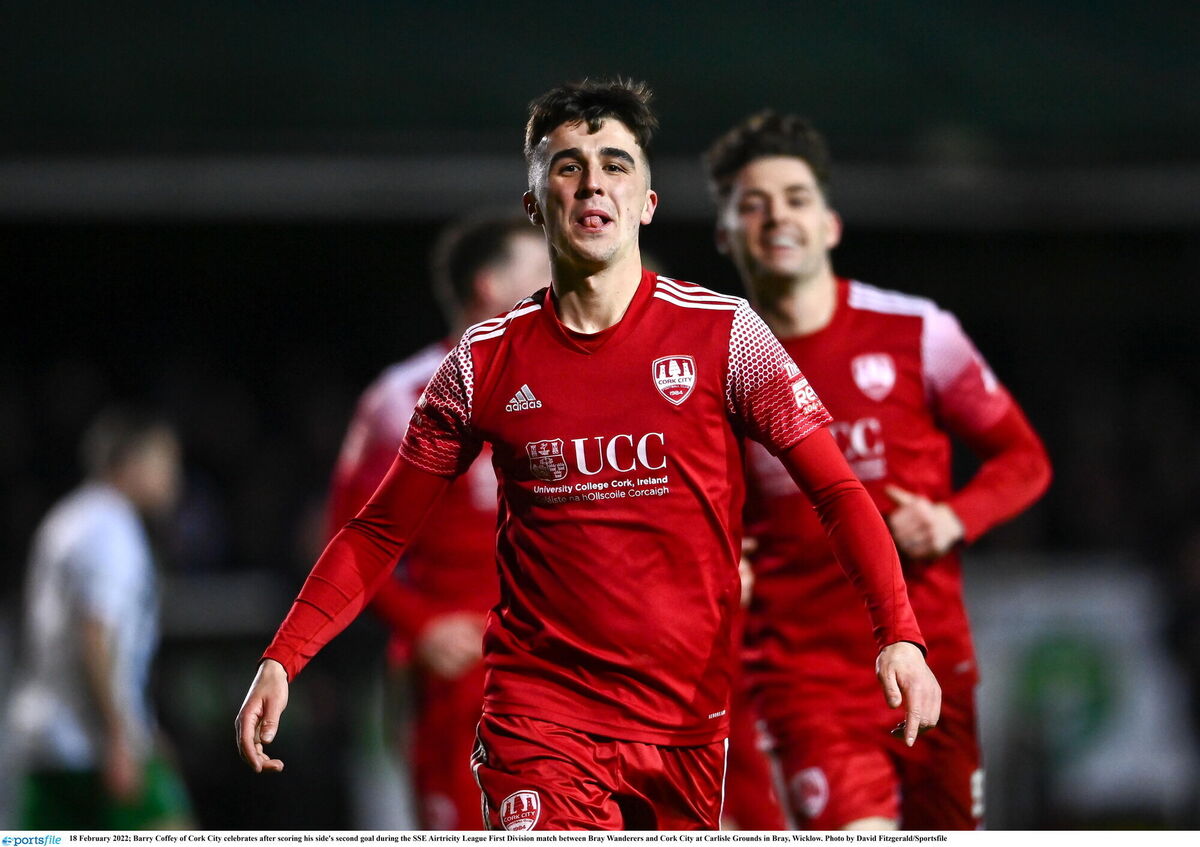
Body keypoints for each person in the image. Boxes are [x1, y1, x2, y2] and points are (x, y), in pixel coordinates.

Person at [237, 79, 940, 831]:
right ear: (536, 203)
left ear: (646, 202)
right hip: (540, 718)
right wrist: (284, 655)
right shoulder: (481, 365)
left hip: (685, 722)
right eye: (568, 165)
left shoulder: (727, 337)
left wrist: (899, 632)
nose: (593, 181)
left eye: (615, 163)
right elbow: (377, 530)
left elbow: (835, 489)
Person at [704, 111, 1053, 830]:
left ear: (829, 225)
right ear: (726, 235)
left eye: (796, 198)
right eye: (753, 204)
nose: (777, 217)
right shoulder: (711, 362)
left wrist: (955, 518)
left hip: (933, 662)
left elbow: (1025, 459)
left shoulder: (919, 332)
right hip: (804, 678)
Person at [325, 214, 547, 829]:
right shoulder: (404, 399)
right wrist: (422, 628)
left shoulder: (570, 389)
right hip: (463, 684)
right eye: (541, 275)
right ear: (489, 286)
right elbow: (351, 540)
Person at [7, 408, 192, 829]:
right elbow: (94, 634)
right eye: (166, 461)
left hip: (45, 739)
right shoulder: (111, 529)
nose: (173, 477)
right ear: (130, 463)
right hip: (89, 742)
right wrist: (120, 734)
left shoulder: (67, 518)